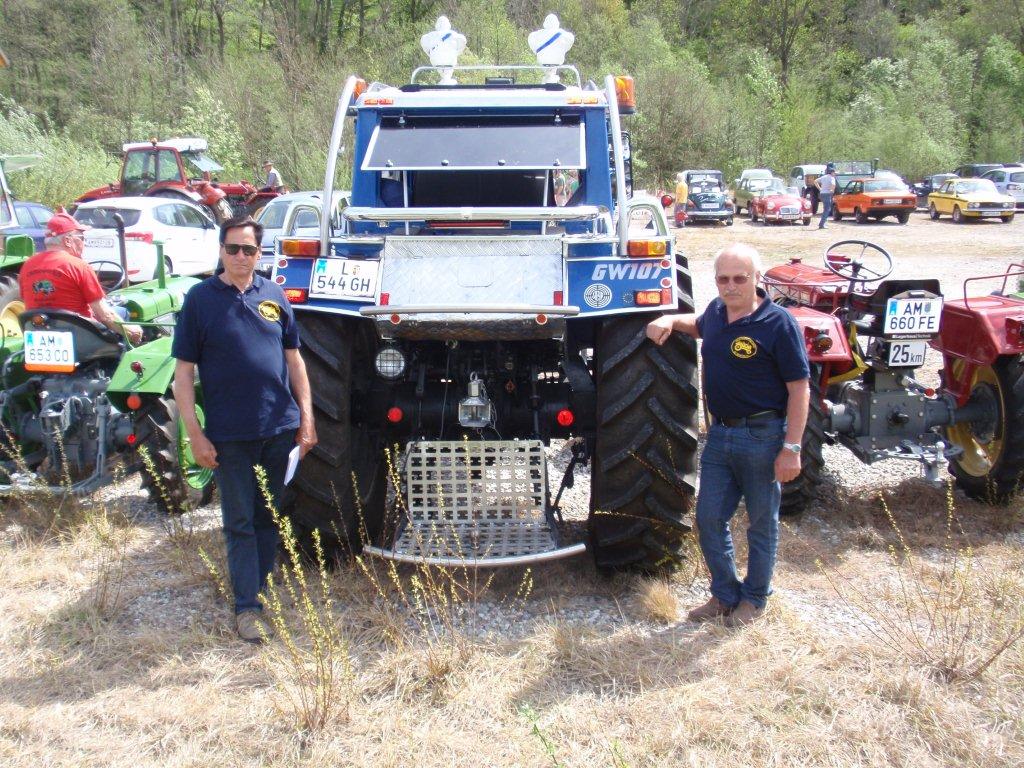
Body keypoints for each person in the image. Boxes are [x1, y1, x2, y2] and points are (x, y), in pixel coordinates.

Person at [646, 243, 809, 627]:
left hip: (763, 435)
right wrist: (670, 319)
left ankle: (754, 599)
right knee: (708, 517)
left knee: (760, 522)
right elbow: (698, 325)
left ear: (757, 279)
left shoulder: (778, 323)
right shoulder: (718, 313)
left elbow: (800, 389)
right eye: (723, 279)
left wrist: (792, 448)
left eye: (740, 278)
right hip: (720, 437)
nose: (731, 286)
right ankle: (724, 594)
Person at [172, 215, 317, 643]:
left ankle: (263, 589)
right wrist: (194, 434)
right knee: (238, 521)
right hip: (229, 435)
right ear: (221, 250)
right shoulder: (200, 300)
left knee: (268, 516)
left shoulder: (274, 295)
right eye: (233, 248)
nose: (240, 256)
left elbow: (295, 361)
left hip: (278, 429)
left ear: (259, 253)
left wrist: (306, 418)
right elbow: (183, 376)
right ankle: (247, 608)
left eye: (249, 250)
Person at [19, 213, 143, 344]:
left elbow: (28, 301)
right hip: (80, 337)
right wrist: (132, 332)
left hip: (41, 334)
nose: (83, 243)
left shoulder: (27, 266)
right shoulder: (79, 266)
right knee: (122, 312)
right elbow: (105, 315)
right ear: (68, 240)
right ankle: (121, 357)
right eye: (81, 237)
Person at [814, 163, 837, 229]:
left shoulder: (823, 177)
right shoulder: (832, 178)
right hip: (827, 194)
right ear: (832, 172)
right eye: (834, 172)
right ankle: (822, 224)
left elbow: (815, 181)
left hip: (822, 194)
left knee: (825, 209)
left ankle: (822, 223)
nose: (835, 174)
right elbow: (833, 185)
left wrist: (820, 188)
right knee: (827, 209)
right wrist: (832, 190)